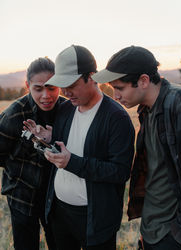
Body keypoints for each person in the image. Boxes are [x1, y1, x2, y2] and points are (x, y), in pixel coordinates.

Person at [25, 45, 135, 250]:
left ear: (91, 77)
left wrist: (72, 163)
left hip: (95, 219)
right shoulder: (66, 108)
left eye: (71, 84)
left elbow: (120, 172)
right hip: (59, 214)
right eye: (62, 85)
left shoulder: (116, 118)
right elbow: (68, 144)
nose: (65, 92)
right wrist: (50, 138)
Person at [92, 45, 181, 250]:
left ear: (143, 81)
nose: (115, 96)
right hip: (153, 229)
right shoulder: (147, 110)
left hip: (176, 234)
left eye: (120, 88)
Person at [0, 57, 66, 250]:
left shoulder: (67, 111)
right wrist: (19, 172)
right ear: (28, 85)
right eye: (38, 88)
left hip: (56, 196)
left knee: (59, 243)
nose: (46, 95)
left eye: (52, 87)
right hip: (22, 194)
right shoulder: (14, 114)